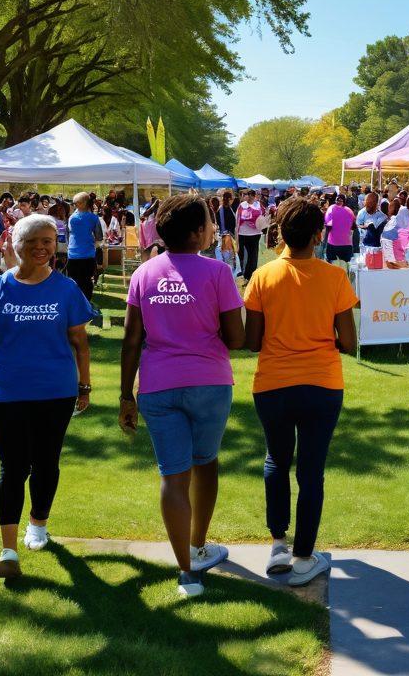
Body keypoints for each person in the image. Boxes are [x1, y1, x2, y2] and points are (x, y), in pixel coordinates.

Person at [119, 195, 245, 598]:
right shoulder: (218, 273)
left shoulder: (143, 273)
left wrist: (125, 395)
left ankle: (187, 572)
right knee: (205, 463)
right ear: (196, 233)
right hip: (209, 383)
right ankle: (198, 546)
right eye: (208, 222)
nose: (212, 228)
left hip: (157, 384)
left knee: (173, 476)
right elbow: (236, 338)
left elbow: (131, 339)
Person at [0, 214, 94, 578]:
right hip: (8, 391)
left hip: (56, 391)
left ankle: (38, 523)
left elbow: (79, 342)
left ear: (56, 245)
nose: (41, 247)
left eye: (48, 240)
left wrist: (84, 385)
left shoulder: (66, 289)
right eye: (32, 240)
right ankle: (8, 549)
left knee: (46, 462)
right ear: (14, 245)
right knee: (13, 466)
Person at [244, 197, 358, 587]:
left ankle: (278, 544)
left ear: (279, 232)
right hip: (322, 384)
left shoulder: (262, 276)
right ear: (318, 235)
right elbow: (349, 340)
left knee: (277, 460)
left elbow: (253, 340)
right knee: (311, 470)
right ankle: (304, 556)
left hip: (273, 383)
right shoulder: (335, 277)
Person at [65, 192, 102, 300]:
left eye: (76, 203)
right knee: (86, 282)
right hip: (87, 254)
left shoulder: (71, 218)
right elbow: (99, 237)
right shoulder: (93, 218)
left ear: (84, 203)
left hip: (73, 254)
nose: (75, 205)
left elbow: (69, 233)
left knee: (74, 282)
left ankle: (75, 306)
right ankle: (86, 306)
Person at [236, 189, 264, 281]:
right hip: (243, 234)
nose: (251, 196)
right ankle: (244, 273)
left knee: (253, 255)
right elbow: (237, 220)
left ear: (254, 196)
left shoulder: (258, 205)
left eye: (252, 194)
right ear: (246, 195)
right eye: (249, 194)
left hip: (255, 234)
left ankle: (250, 275)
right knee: (243, 255)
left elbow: (262, 217)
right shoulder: (242, 205)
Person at [323, 193, 356, 263]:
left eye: (340, 200)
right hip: (336, 243)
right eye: (337, 200)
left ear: (344, 201)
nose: (338, 202)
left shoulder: (334, 209)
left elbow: (353, 226)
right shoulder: (334, 208)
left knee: (342, 265)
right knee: (336, 265)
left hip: (341, 244)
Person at [215, 191, 237, 270]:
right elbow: (226, 225)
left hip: (227, 236)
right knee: (228, 259)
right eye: (232, 198)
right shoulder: (224, 209)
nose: (233, 200)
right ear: (228, 199)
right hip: (227, 237)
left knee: (229, 258)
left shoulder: (226, 208)